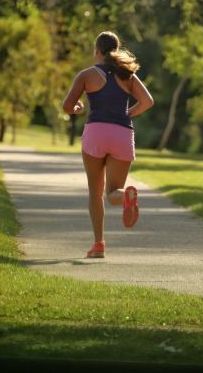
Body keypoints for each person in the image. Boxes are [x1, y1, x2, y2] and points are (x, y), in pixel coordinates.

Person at [62, 31, 154, 258]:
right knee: (113, 191)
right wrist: (128, 114)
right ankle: (124, 196)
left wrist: (77, 109)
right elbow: (148, 101)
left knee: (95, 192)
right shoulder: (127, 75)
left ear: (96, 52)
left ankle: (99, 245)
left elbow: (67, 106)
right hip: (122, 134)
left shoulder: (86, 75)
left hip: (95, 133)